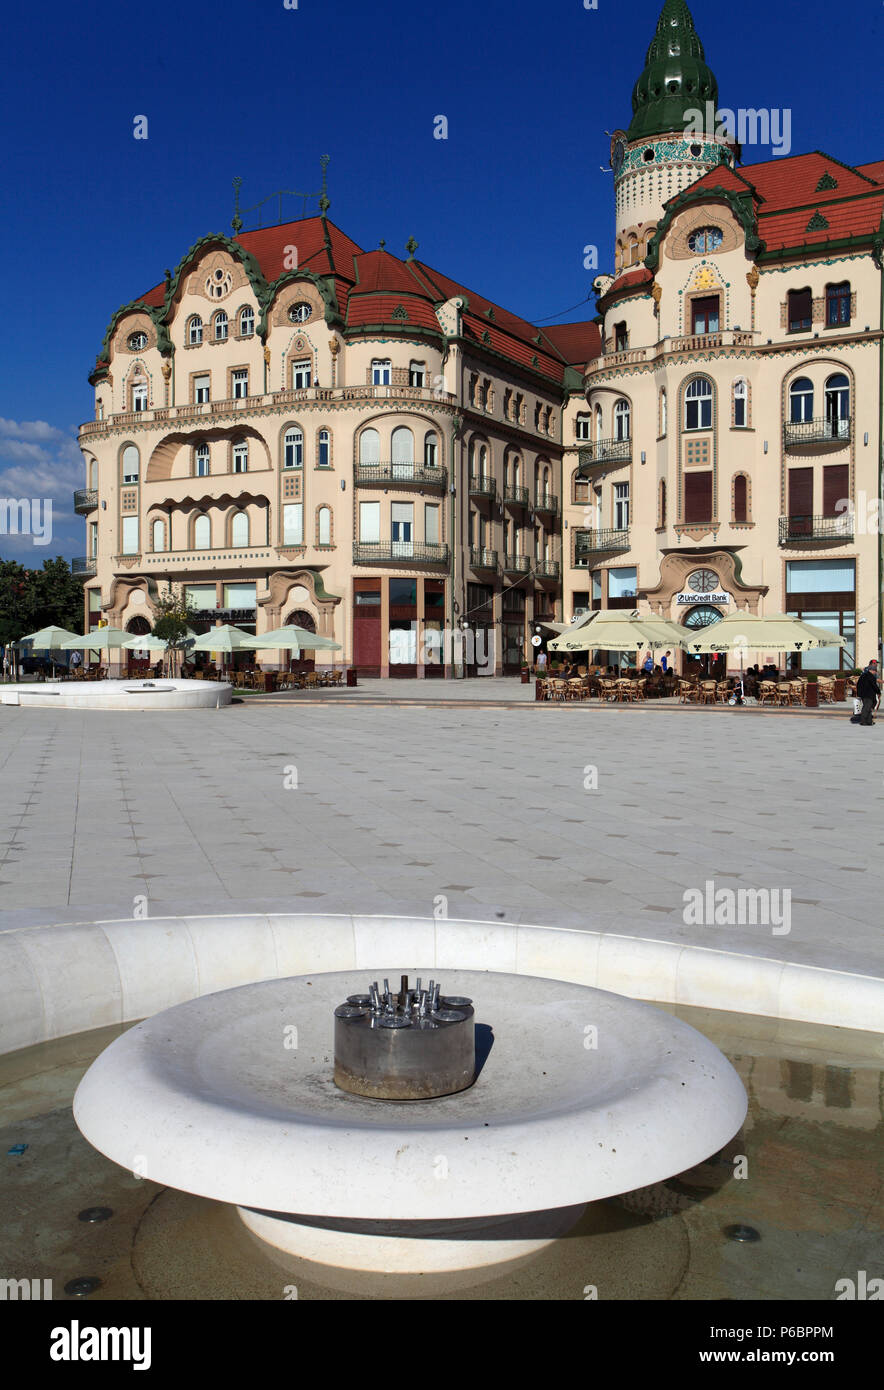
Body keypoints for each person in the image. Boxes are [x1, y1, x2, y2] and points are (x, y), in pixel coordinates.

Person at [855, 660, 880, 726]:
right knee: (867, 708)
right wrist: (879, 692)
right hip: (868, 695)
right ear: (873, 670)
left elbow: (858, 685)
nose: (875, 673)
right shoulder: (871, 677)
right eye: (875, 671)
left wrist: (859, 693)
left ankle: (869, 721)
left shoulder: (863, 676)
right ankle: (863, 721)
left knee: (868, 707)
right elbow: (874, 686)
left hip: (863, 694)